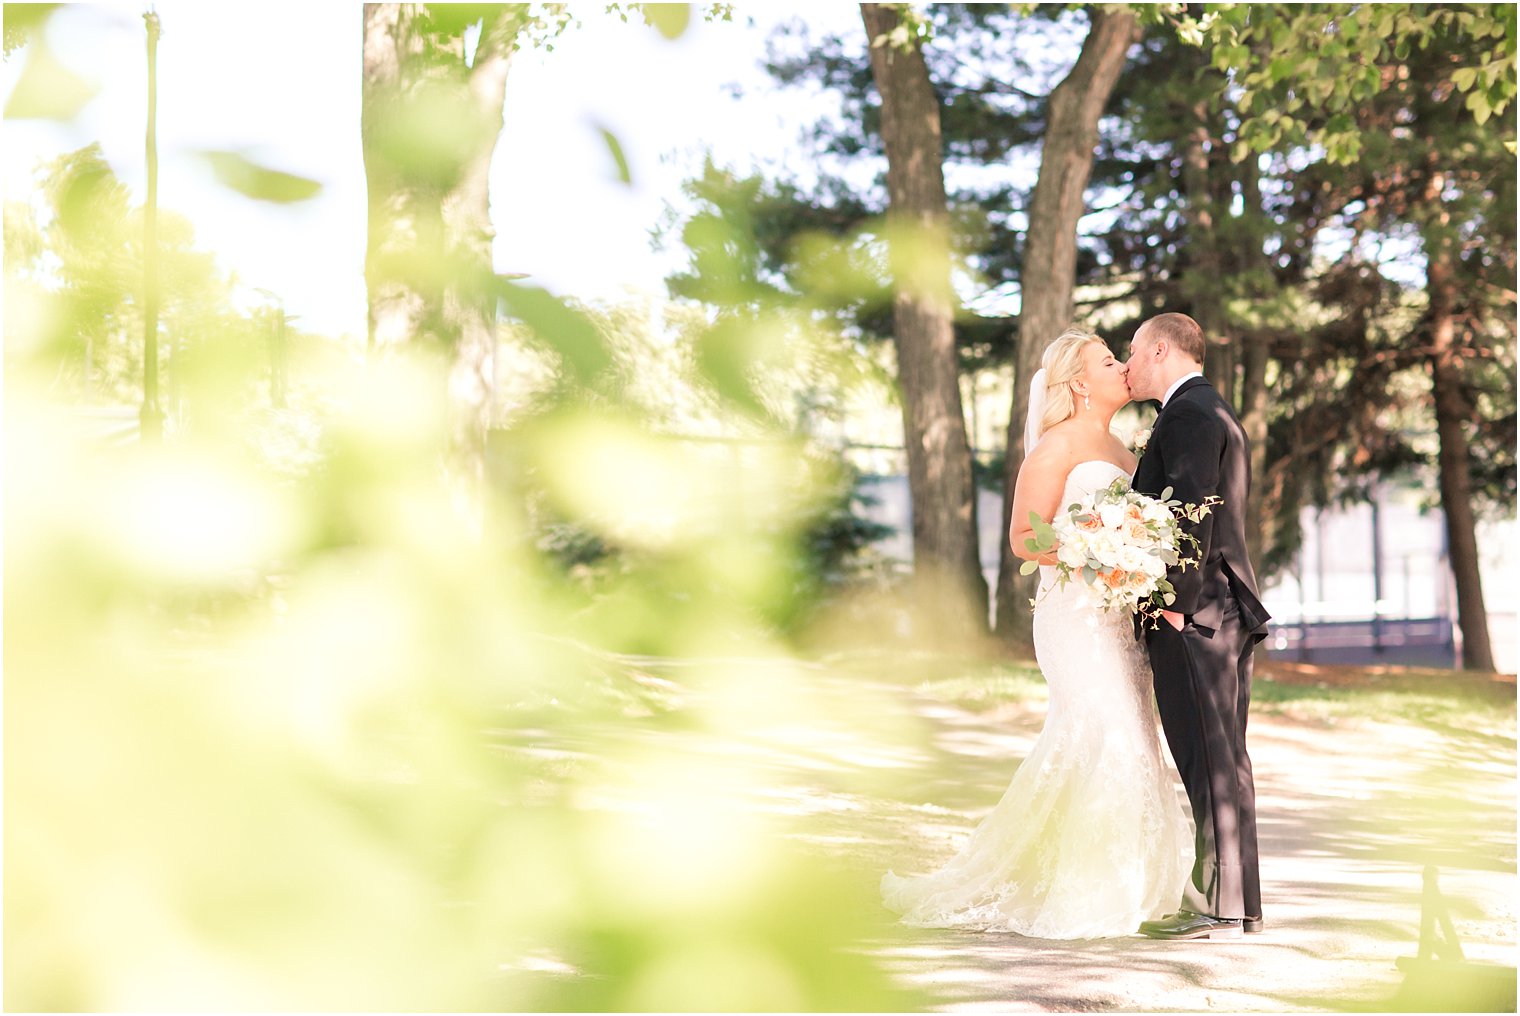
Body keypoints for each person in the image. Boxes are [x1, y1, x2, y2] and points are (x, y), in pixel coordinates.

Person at [881, 329, 1191, 939]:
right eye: (1109, 361)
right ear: (1078, 382)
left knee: (1134, 738)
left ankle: (1128, 884)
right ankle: (1086, 890)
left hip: (1116, 621)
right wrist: (1096, 548)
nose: (1123, 368)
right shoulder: (1055, 446)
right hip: (1072, 621)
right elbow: (1026, 540)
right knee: (1105, 733)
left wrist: (1133, 552)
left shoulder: (1126, 446)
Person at [1124, 312, 1271, 941]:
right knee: (1225, 760)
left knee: (1208, 760)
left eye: (1132, 353)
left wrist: (1174, 600)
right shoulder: (1212, 408)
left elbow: (1192, 508)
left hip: (1198, 612)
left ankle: (1217, 904)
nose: (1128, 365)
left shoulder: (1186, 413)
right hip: (1224, 609)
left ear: (1161, 350)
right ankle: (1239, 903)